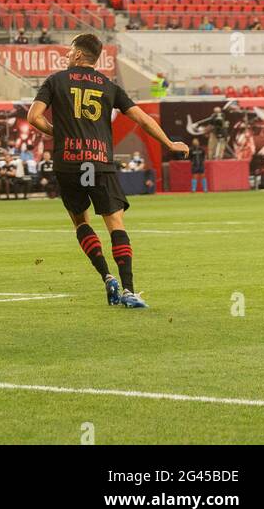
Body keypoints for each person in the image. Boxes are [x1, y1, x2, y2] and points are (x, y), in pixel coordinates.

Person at [26, 33, 189, 310]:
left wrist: (59, 133)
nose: (66, 55)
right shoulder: (109, 86)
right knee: (115, 223)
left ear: (78, 55)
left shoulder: (55, 80)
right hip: (99, 162)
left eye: (69, 51)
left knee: (81, 222)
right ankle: (129, 290)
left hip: (68, 162)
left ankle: (106, 276)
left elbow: (33, 116)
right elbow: (142, 118)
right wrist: (169, 143)